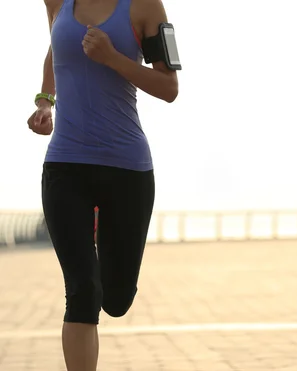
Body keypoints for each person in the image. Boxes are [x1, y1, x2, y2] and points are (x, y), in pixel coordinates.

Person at [27, 0, 179, 370]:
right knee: (82, 291)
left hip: (126, 170)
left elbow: (169, 87)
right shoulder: (57, 1)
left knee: (115, 298)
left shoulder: (145, 6)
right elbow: (57, 45)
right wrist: (46, 100)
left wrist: (112, 58)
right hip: (66, 165)